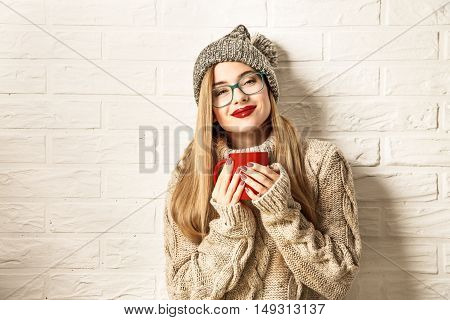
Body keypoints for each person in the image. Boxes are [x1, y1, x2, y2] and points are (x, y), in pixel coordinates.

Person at [163, 24, 362, 300]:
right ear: (211, 110)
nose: (239, 96)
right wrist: (230, 227)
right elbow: (182, 296)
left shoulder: (322, 162)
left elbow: (340, 280)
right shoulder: (188, 174)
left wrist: (283, 214)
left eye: (249, 81)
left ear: (268, 87)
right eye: (221, 91)